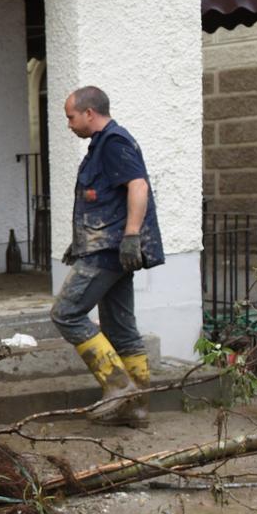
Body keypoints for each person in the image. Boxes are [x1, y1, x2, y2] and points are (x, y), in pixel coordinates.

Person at [51, 86, 164, 427]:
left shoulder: (113, 142)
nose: (68, 124)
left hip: (110, 250)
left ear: (89, 113)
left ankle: (117, 386)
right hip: (107, 247)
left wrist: (131, 235)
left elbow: (138, 186)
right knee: (121, 328)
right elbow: (102, 199)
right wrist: (81, 241)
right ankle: (137, 408)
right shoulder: (103, 145)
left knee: (66, 313)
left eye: (70, 117)